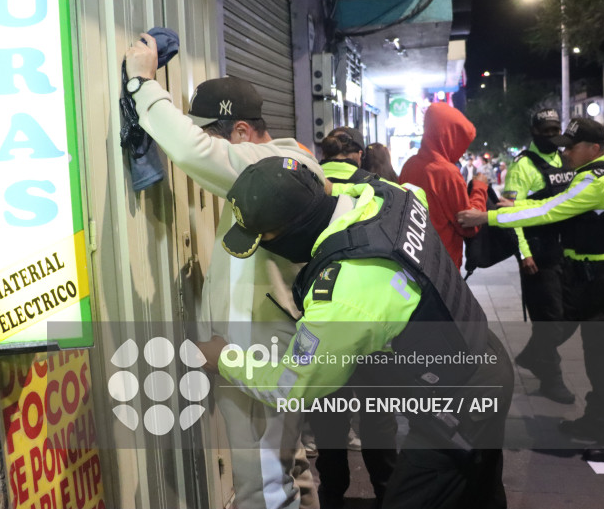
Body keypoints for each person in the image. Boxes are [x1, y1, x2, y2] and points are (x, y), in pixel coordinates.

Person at [200, 156, 513, 509]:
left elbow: (291, 386)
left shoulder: (343, 296)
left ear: (291, 233)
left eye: (265, 239)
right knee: (481, 492)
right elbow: (340, 183)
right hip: (483, 355)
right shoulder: (389, 195)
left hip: (460, 405)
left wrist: (223, 358)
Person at [125, 34, 319, 509]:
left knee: (263, 487)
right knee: (289, 467)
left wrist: (142, 83)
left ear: (242, 133)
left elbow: (191, 151)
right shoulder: (288, 163)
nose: (205, 143)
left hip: (259, 353)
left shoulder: (272, 169)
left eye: (210, 132)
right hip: (270, 347)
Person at [458, 118, 604, 462]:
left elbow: (550, 211)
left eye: (572, 146)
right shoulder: (588, 175)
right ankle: (598, 419)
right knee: (595, 358)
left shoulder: (598, 181)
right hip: (590, 279)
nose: (565, 152)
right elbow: (554, 202)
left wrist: (487, 217)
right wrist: (513, 207)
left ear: (594, 148)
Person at [312, 127, 398, 508]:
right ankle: (387, 492)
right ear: (360, 155)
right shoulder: (386, 191)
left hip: (323, 321)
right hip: (375, 325)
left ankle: (333, 494)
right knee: (379, 418)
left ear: (323, 155)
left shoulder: (307, 188)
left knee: (328, 418)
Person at [502, 109, 576, 404]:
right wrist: (524, 253)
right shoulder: (522, 166)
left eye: (555, 130)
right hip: (538, 255)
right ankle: (551, 379)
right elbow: (510, 213)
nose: (551, 136)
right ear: (534, 132)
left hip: (566, 252)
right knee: (549, 320)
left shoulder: (564, 159)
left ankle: (533, 355)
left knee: (572, 315)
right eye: (545, 131)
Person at [399, 103, 489, 269]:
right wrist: (480, 188)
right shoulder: (447, 173)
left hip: (412, 259)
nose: (461, 151)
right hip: (442, 266)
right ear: (449, 137)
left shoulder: (409, 165)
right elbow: (468, 225)